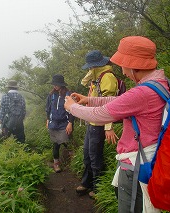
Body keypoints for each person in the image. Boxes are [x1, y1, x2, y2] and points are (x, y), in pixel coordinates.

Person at [65, 36, 164, 213]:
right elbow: (122, 101)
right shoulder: (160, 83)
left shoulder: (143, 92)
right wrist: (90, 99)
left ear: (134, 64)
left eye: (123, 65)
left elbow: (103, 114)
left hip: (136, 166)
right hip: (150, 159)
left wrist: (72, 108)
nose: (123, 71)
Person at [75, 50, 119, 199]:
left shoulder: (108, 78)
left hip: (99, 124)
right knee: (87, 154)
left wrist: (108, 127)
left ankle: (97, 188)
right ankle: (86, 183)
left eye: (90, 67)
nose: (89, 70)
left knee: (95, 157)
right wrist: (91, 75)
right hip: (92, 121)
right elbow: (83, 82)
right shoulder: (98, 77)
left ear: (96, 66)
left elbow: (109, 104)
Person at [46, 74, 75, 173]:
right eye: (54, 84)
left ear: (61, 84)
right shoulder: (51, 95)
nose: (55, 86)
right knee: (56, 144)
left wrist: (70, 123)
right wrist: (47, 120)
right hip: (53, 123)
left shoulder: (68, 94)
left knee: (66, 141)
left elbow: (72, 110)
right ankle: (56, 164)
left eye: (57, 84)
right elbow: (48, 108)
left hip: (64, 123)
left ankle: (73, 160)